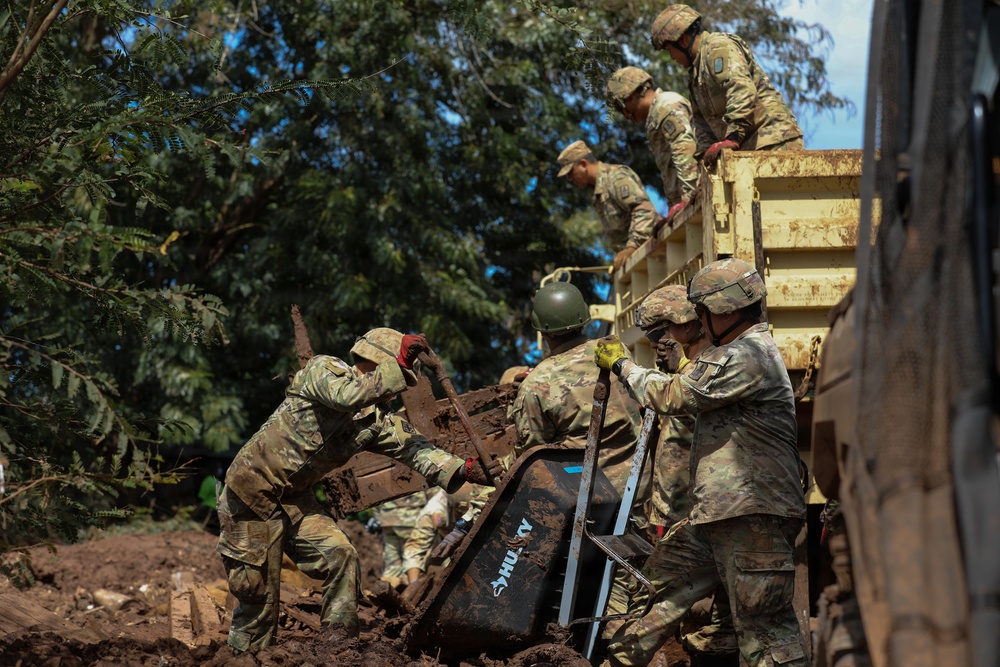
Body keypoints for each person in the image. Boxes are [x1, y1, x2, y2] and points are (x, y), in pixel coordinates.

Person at [216, 328, 503, 652]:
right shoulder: (323, 370)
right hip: (251, 494)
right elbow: (347, 396)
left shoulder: (375, 421)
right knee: (257, 596)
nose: (398, 390)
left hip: (295, 499)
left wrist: (464, 469)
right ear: (380, 363)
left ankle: (336, 645)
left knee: (340, 555)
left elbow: (417, 450)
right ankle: (243, 657)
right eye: (400, 377)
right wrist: (399, 362)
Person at [594, 258, 809, 667]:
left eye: (701, 312)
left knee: (765, 635)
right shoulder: (734, 353)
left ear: (722, 312)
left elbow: (673, 395)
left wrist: (622, 365)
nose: (695, 322)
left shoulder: (748, 355)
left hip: (753, 520)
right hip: (717, 518)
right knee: (659, 589)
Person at [633, 285, 739, 667]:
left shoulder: (708, 370)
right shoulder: (687, 371)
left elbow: (689, 423)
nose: (658, 347)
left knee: (707, 616)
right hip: (689, 518)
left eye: (662, 335)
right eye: (652, 340)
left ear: (687, 326)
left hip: (703, 518)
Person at [650, 4, 804, 167]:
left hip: (774, 141)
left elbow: (741, 90)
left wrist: (733, 137)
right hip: (747, 154)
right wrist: (705, 163)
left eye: (669, 49)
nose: (672, 57)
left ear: (683, 39)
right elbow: (702, 125)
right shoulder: (695, 76)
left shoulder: (717, 47)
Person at [605, 67, 700, 222]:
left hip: (697, 199)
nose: (624, 114)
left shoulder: (665, 106)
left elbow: (685, 149)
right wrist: (675, 208)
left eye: (621, 108)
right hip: (688, 204)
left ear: (631, 97)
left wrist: (691, 198)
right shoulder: (654, 116)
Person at [556, 140, 657, 271]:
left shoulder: (615, 177)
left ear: (583, 164)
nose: (570, 179)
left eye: (571, 172)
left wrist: (632, 247)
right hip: (636, 263)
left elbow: (644, 210)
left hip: (653, 255)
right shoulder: (598, 191)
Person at [401, 484, 475, 585]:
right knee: (431, 567)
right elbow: (415, 547)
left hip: (472, 535)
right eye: (461, 513)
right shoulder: (434, 511)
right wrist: (414, 584)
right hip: (445, 538)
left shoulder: (479, 498)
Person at [366, 490, 431, 589]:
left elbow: (372, 498)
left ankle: (385, 591)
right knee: (416, 557)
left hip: (388, 520)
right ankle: (415, 588)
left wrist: (380, 520)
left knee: (392, 565)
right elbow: (433, 495)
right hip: (413, 518)